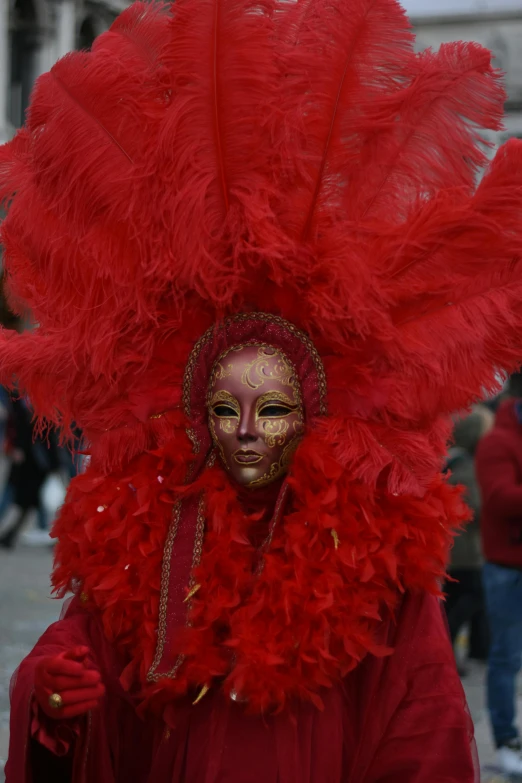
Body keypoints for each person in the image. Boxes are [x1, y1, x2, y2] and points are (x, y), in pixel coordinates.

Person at [1, 0, 522, 779]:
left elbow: (422, 727)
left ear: (309, 416)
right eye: (224, 409)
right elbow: (86, 653)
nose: (245, 430)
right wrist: (51, 690)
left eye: (271, 409)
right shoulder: (148, 537)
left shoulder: (377, 561)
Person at [476, 373, 522, 775]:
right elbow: (499, 497)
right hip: (507, 570)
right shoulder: (498, 442)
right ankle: (507, 740)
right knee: (506, 657)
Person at [444, 407, 493, 674]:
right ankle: (449, 648)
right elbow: (473, 507)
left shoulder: (454, 461)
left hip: (455, 549)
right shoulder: (466, 466)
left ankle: (464, 649)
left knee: (456, 600)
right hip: (465, 551)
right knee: (472, 595)